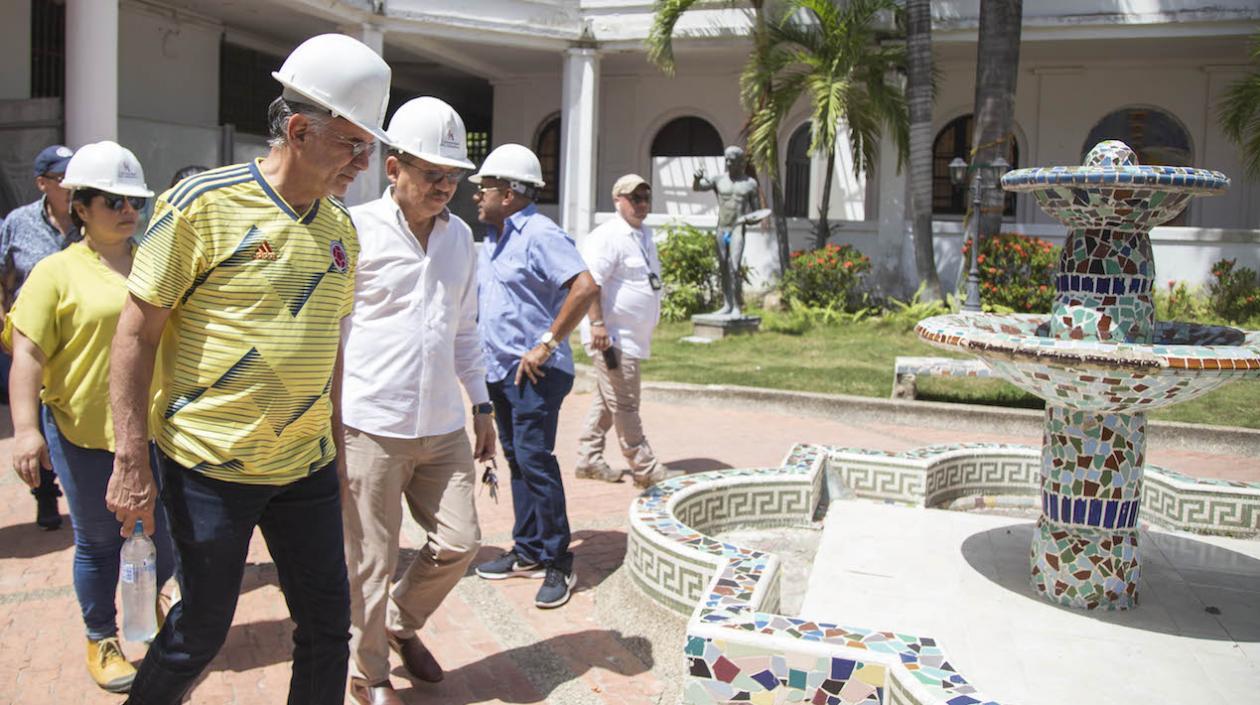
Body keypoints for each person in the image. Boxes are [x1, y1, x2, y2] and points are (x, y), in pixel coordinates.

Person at [103, 33, 391, 705]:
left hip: (306, 467)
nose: (365, 159)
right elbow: (135, 334)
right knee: (200, 628)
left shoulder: (341, 231)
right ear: (299, 129)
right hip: (210, 467)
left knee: (326, 624)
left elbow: (331, 347)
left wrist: (338, 448)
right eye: (355, 143)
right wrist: (129, 457)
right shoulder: (202, 205)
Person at [4, 141, 174, 693]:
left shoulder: (159, 263)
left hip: (157, 433)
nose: (128, 211)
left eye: (134, 201)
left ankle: (155, 622)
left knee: (165, 539)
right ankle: (102, 636)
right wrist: (27, 431)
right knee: (100, 543)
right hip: (83, 433)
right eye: (111, 201)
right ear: (79, 207)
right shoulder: (55, 272)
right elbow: (27, 355)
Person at [340, 97, 492, 705]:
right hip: (370, 424)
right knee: (370, 564)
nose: (445, 187)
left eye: (453, 176)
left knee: (461, 541)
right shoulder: (352, 230)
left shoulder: (461, 240)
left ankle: (401, 626)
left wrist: (481, 408)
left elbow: (465, 330)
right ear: (392, 167)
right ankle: (369, 672)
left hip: (442, 425)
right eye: (433, 173)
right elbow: (331, 329)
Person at [470, 143, 598, 609]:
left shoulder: (540, 233)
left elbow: (584, 287)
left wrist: (547, 342)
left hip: (536, 372)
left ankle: (557, 561)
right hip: (502, 371)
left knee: (534, 458)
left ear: (508, 193)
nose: (476, 197)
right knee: (519, 460)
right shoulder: (494, 237)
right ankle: (527, 551)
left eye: (483, 188)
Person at [576, 174, 681, 489]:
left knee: (609, 400)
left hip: (631, 339)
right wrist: (597, 324)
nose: (641, 204)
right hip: (611, 339)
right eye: (634, 198)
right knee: (625, 403)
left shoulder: (643, 235)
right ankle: (644, 467)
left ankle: (588, 458)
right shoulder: (607, 236)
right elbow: (589, 283)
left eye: (645, 197)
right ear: (617, 200)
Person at [0, 143, 79, 530]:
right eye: (62, 178)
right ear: (42, 183)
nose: (71, 185)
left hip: (80, 340)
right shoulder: (18, 222)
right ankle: (45, 493)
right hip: (31, 340)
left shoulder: (91, 218)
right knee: (35, 414)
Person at [692, 145, 761, 317]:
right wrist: (696, 179)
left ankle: (737, 307)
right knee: (723, 267)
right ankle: (727, 305)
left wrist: (750, 219)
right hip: (721, 229)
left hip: (738, 228)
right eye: (727, 160)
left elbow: (757, 212)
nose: (728, 163)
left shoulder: (750, 184)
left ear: (740, 162)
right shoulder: (718, 180)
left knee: (734, 267)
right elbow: (698, 188)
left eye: (732, 160)